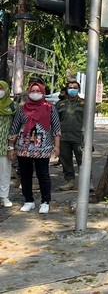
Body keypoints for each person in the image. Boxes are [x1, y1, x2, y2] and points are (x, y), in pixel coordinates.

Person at [8, 80, 61, 214]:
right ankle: (29, 201)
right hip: (23, 147)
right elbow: (14, 129)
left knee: (43, 174)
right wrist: (11, 148)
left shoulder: (50, 108)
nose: (35, 93)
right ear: (29, 93)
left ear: (43, 92)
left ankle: (45, 202)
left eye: (38, 91)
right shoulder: (22, 109)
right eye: (33, 91)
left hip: (43, 147)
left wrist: (57, 146)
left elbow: (56, 129)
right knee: (25, 175)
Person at [55, 81, 86, 191]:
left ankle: (87, 181)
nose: (72, 89)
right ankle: (70, 181)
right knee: (66, 161)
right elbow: (55, 122)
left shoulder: (84, 104)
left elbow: (89, 122)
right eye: (70, 87)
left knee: (83, 160)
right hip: (63, 138)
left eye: (75, 87)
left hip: (79, 137)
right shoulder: (60, 104)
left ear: (79, 89)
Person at [0, 80, 17, 207]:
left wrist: (12, 146)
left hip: (5, 145)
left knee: (5, 172)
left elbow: (15, 126)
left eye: (2, 88)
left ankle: (4, 197)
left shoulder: (12, 106)